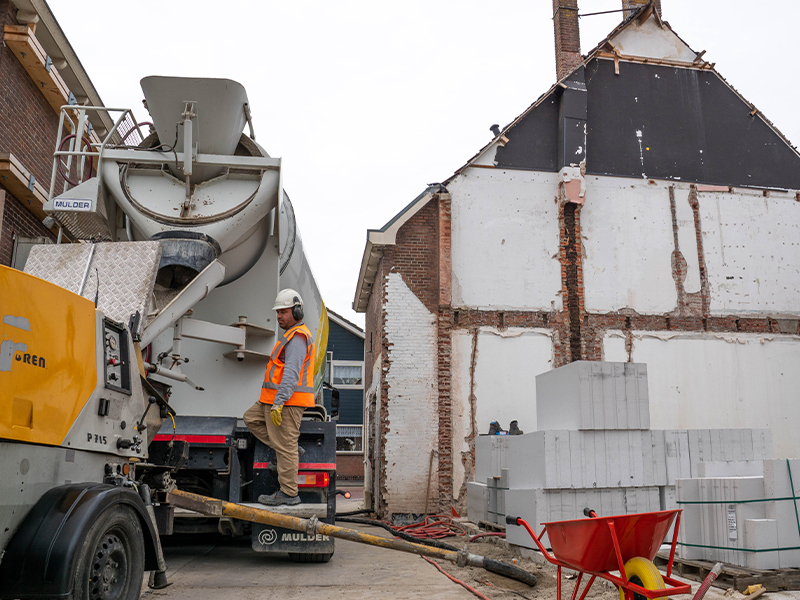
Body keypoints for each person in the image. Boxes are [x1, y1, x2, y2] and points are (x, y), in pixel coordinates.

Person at [243, 289, 315, 506]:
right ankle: (290, 449)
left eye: (283, 312)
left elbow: (291, 374)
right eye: (278, 313)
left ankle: (289, 493)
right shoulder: (289, 336)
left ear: (297, 311)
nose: (279, 317)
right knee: (251, 418)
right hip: (270, 400)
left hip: (287, 402)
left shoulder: (298, 338)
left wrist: (279, 402)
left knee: (285, 447)